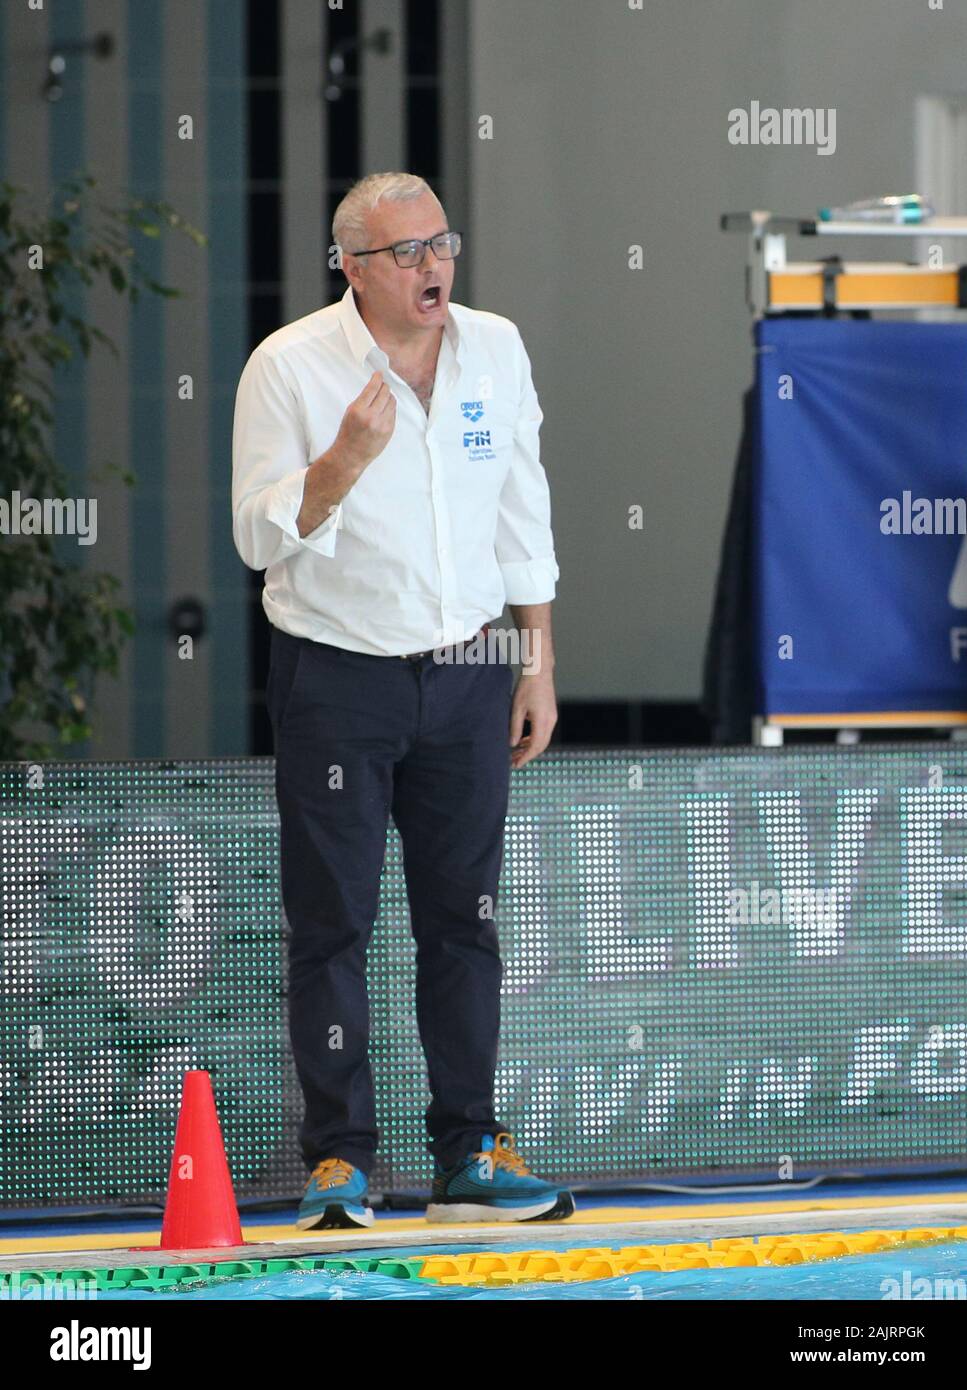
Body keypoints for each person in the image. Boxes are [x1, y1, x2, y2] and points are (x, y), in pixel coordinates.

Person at [231, 171, 570, 1228]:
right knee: (332, 924)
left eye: (441, 244)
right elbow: (254, 536)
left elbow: (524, 506)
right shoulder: (288, 366)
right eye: (406, 252)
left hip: (470, 669)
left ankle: (469, 1145)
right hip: (338, 672)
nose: (433, 266)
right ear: (351, 267)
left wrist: (537, 658)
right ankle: (338, 1159)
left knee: (463, 922)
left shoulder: (497, 348)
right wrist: (339, 465)